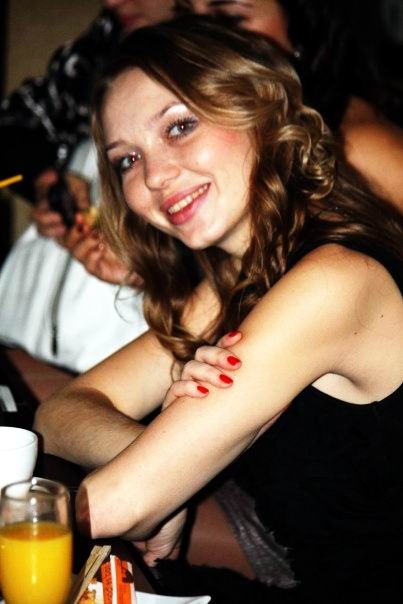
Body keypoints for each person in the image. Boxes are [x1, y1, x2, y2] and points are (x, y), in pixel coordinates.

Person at [35, 16, 403, 602]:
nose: (155, 176)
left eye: (179, 126)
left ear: (260, 108)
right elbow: (60, 414)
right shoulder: (232, 284)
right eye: (127, 160)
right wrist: (154, 463)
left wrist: (155, 483)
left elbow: (116, 504)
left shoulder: (334, 282)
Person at [0, 1, 176, 372]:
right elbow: (10, 130)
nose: (111, 2)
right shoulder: (95, 50)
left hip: (111, 364)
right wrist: (42, 181)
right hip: (16, 331)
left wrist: (156, 268)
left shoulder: (221, 57)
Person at [178, 0, 403, 212]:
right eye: (185, 16)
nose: (198, 39)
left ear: (302, 25)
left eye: (229, 18)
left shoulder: (360, 148)